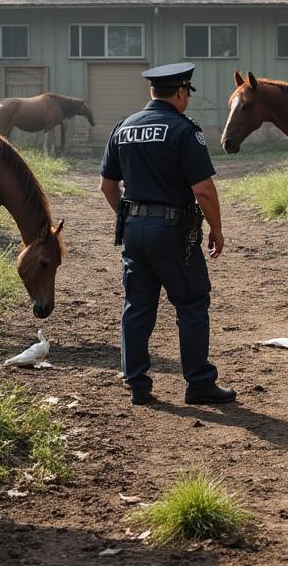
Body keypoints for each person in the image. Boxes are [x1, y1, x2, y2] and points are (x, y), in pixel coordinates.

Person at [99, 62, 234, 407]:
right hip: (173, 232)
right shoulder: (183, 130)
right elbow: (203, 188)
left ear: (151, 92)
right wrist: (216, 228)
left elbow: (107, 185)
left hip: (133, 230)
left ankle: (138, 385)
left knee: (137, 306)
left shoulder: (124, 128)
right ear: (179, 92)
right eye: (187, 92)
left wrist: (130, 217)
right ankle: (199, 383)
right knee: (191, 303)